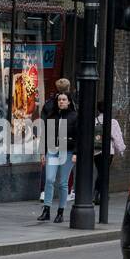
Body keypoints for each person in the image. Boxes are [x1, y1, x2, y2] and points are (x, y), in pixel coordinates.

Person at [39, 92, 77, 223]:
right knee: (49, 179)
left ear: (69, 102)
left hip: (67, 151)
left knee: (63, 183)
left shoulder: (74, 117)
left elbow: (79, 136)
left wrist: (76, 153)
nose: (61, 102)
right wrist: (42, 153)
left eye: (64, 99)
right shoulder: (52, 116)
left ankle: (60, 212)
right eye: (59, 99)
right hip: (52, 150)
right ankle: (46, 210)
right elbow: (45, 135)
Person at [92, 101, 126, 207]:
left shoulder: (94, 121)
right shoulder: (113, 122)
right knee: (104, 172)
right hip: (108, 151)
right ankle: (99, 194)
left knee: (100, 171)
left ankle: (97, 194)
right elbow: (117, 137)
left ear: (98, 109)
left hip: (96, 151)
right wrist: (121, 149)